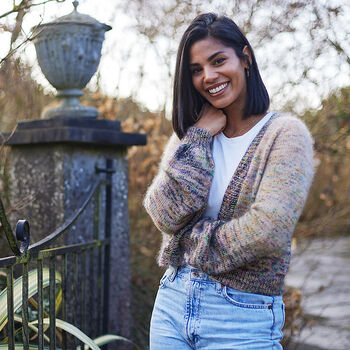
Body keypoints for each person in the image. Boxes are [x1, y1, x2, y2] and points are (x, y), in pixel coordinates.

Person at [144, 12, 314, 350]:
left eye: (218, 60)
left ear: (245, 58)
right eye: (196, 70)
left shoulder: (285, 135)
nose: (208, 76)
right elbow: (162, 213)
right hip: (172, 305)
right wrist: (199, 137)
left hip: (241, 315)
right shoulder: (188, 138)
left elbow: (267, 229)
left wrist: (187, 242)